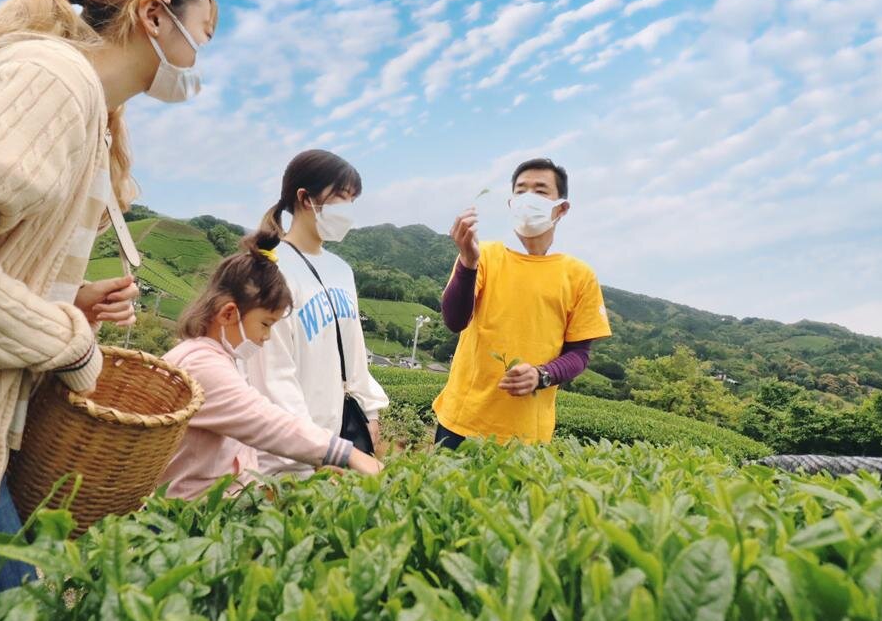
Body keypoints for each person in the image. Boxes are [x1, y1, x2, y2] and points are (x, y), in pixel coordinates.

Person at [0, 0, 216, 604]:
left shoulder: (81, 104)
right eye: (203, 34)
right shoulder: (51, 82)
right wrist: (68, 340)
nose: (200, 60)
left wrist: (70, 299)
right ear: (153, 13)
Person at [159, 235, 383, 498]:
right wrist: (348, 454)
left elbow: (241, 451)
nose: (266, 337)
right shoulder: (200, 365)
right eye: (265, 324)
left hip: (220, 501)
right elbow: (265, 422)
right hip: (189, 513)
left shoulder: (220, 358)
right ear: (228, 314)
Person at [432, 158, 612, 448]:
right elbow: (454, 320)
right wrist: (467, 262)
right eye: (521, 191)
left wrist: (542, 375)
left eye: (541, 191)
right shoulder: (484, 255)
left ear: (562, 208)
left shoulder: (579, 275)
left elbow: (579, 354)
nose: (529, 199)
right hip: (462, 421)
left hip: (527, 435)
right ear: (511, 203)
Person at [243, 150, 388, 477]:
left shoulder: (342, 271)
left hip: (345, 440)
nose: (347, 208)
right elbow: (272, 376)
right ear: (305, 198)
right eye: (340, 195)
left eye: (353, 199)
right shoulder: (269, 269)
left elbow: (355, 354)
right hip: (291, 456)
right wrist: (319, 451)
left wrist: (371, 413)